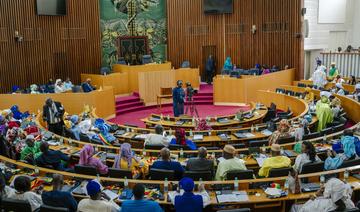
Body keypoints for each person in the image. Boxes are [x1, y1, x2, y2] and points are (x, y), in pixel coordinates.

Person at [291, 177, 356, 212]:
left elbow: (303, 209)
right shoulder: (350, 203)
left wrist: (316, 194)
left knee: (294, 206)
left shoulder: (318, 204)